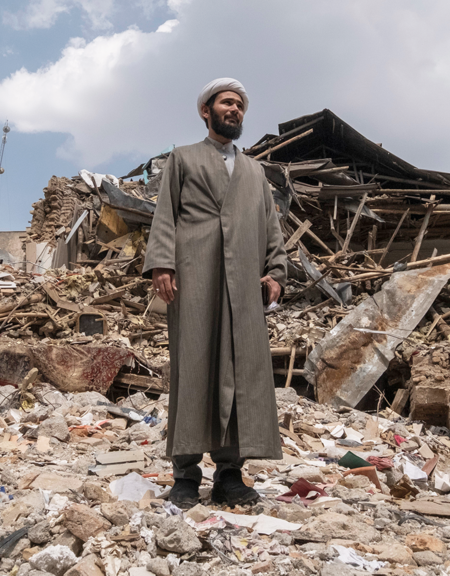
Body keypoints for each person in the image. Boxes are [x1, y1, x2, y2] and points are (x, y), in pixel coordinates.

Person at [143, 78, 288, 508]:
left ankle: (229, 472)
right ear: (206, 110)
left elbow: (271, 226)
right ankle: (185, 474)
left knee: (240, 372)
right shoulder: (183, 159)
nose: (235, 110)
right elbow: (164, 213)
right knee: (194, 367)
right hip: (194, 277)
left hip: (244, 284)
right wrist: (163, 263)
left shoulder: (255, 172)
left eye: (240, 105)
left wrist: (275, 270)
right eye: (227, 103)